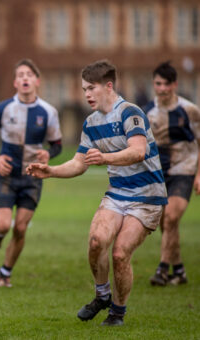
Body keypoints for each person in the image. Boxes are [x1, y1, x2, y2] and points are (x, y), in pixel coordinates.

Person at [27, 60, 167, 326]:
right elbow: (80, 163)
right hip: (118, 193)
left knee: (120, 253)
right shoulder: (90, 123)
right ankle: (102, 296)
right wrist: (51, 171)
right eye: (84, 90)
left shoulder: (130, 112)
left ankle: (117, 311)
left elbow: (138, 150)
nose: (87, 95)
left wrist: (105, 157)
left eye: (92, 88)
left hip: (148, 196)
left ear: (109, 86)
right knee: (96, 242)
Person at [0, 59, 62, 287]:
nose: (25, 78)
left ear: (37, 81)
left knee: (21, 228)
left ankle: (5, 272)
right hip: (8, 176)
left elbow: (57, 145)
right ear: (15, 82)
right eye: (20, 75)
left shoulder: (48, 112)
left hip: (33, 177)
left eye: (29, 74)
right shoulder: (3, 108)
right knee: (4, 226)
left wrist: (48, 154)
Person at [144, 61, 200, 286]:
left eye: (167, 84)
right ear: (153, 85)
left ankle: (162, 269)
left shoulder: (190, 110)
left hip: (184, 170)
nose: (162, 88)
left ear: (175, 84)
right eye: (158, 84)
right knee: (166, 224)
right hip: (158, 173)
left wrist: (198, 175)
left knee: (172, 217)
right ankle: (179, 270)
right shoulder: (147, 112)